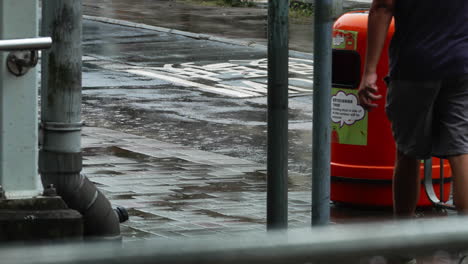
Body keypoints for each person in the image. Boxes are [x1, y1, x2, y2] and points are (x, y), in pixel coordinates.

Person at [358, 0, 468, 218]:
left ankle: (404, 238)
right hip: (462, 64)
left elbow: (383, 7)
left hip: (415, 66)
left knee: (407, 152)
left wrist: (369, 70)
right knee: (461, 149)